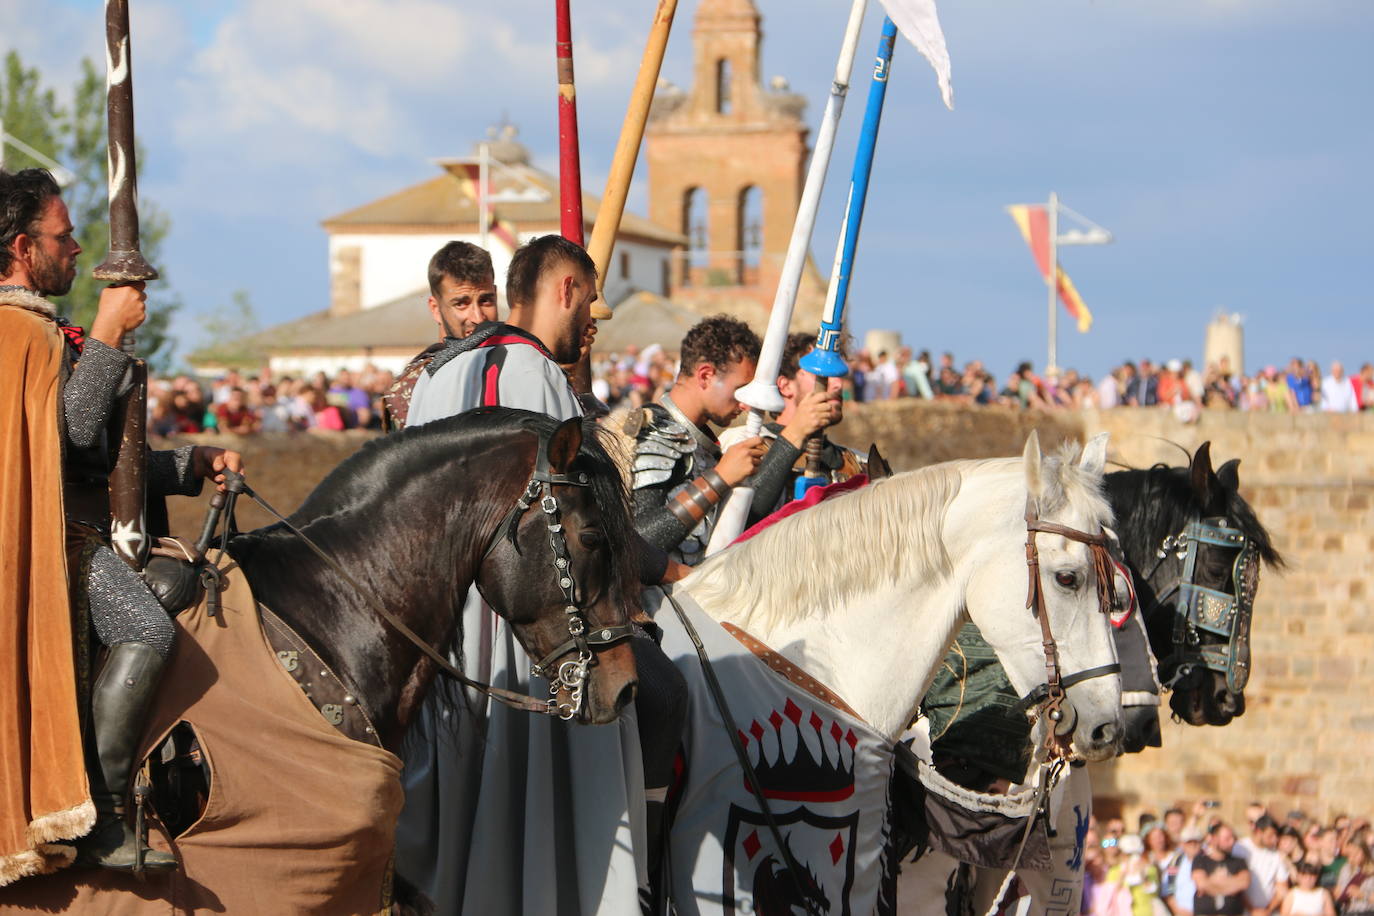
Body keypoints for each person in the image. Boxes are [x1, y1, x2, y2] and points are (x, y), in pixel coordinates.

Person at [396, 234, 685, 914]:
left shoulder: (435, 377)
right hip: (537, 624)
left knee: (469, 803)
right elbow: (578, 530)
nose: (594, 316)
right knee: (657, 697)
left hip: (450, 631)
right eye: (588, 298)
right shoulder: (543, 379)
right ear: (564, 291)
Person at [0, 168, 243, 876]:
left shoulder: (39, 331)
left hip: (79, 525)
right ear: (22, 247)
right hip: (53, 545)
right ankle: (104, 813)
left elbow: (97, 465)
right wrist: (106, 334)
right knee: (145, 627)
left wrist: (190, 467)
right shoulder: (16, 333)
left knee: (189, 585)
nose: (76, 249)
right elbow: (74, 436)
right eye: (63, 237)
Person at [621, 316, 815, 564]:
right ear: (706, 376)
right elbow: (637, 544)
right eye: (741, 388)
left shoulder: (701, 442)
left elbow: (746, 519)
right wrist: (719, 479)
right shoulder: (653, 435)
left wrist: (791, 440)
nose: (745, 404)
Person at [716, 331, 849, 513]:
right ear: (785, 386)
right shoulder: (743, 441)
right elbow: (742, 517)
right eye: (822, 376)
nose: (838, 384)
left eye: (837, 373)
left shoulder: (856, 462)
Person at [382, 240, 499, 430]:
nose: (478, 317)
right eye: (461, 303)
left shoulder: (521, 362)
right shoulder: (411, 387)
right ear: (435, 309)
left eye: (486, 301)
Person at [1237, 815, 1293, 916]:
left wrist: (1268, 910)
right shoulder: (1240, 848)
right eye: (1270, 835)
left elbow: (1282, 887)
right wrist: (1252, 910)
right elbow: (1237, 885)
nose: (1274, 840)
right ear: (1259, 831)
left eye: (1276, 836)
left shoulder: (1276, 855)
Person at [1195, 823, 1252, 916]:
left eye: (1233, 838)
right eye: (1227, 839)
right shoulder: (1200, 860)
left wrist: (1212, 882)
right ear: (1214, 839)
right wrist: (1232, 884)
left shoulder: (1239, 862)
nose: (1232, 842)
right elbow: (1201, 884)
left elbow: (1244, 883)